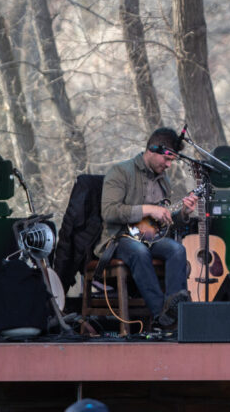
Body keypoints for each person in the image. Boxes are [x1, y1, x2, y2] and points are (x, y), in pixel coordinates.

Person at [98, 127, 197, 328]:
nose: (169, 165)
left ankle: (175, 313)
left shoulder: (164, 181)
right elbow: (109, 212)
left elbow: (161, 223)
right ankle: (162, 316)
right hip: (119, 238)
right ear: (152, 149)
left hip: (150, 237)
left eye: (172, 161)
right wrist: (147, 209)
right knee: (139, 252)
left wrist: (184, 212)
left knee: (177, 250)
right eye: (166, 159)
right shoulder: (120, 172)